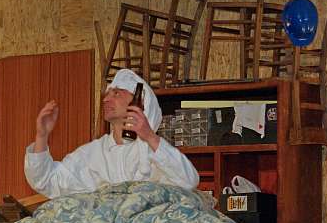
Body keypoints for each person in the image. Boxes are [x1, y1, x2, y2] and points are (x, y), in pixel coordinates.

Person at [25, 69, 199, 199]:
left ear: (139, 102)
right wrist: (42, 136)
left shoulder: (155, 152)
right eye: (107, 94)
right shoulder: (92, 154)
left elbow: (188, 181)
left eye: (116, 93)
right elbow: (47, 181)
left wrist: (149, 137)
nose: (106, 99)